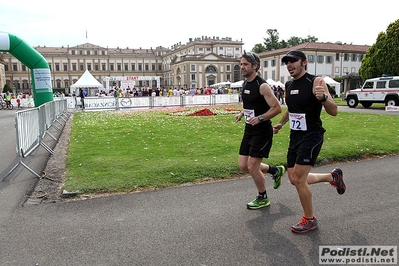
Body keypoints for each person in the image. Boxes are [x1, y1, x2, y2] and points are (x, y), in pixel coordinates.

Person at [273, 50, 346, 233]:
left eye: (293, 61)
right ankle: (333, 177)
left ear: (304, 62)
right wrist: (281, 123)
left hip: (312, 135)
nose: (289, 65)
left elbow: (334, 111)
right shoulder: (288, 84)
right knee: (293, 178)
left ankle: (310, 219)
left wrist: (323, 98)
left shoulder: (316, 82)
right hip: (295, 136)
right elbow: (291, 109)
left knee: (298, 179)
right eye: (287, 62)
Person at [235, 51, 286, 210]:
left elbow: (277, 108)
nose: (242, 67)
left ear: (255, 66)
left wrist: (260, 118)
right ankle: (275, 170)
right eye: (241, 64)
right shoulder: (245, 84)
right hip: (249, 129)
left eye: (245, 64)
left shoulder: (262, 85)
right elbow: (252, 105)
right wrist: (242, 113)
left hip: (262, 131)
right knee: (244, 165)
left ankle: (263, 197)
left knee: (252, 167)